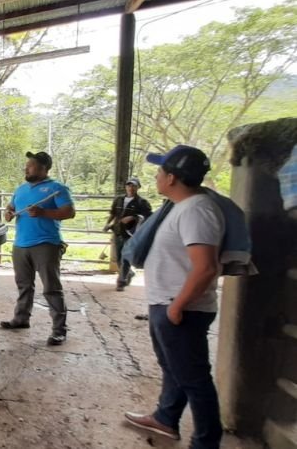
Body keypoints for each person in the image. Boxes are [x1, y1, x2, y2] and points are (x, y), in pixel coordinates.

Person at [123, 145, 224, 449]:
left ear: (171, 177)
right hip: (167, 302)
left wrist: (178, 306)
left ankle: (206, 442)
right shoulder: (180, 206)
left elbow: (206, 267)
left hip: (181, 307)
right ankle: (166, 418)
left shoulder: (197, 210)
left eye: (159, 171)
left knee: (195, 379)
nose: (156, 175)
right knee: (175, 369)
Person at [0, 151, 76, 346]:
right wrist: (8, 213)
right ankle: (21, 318)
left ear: (44, 168)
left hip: (46, 244)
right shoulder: (21, 189)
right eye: (27, 165)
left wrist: (44, 212)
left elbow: (69, 212)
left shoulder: (56, 188)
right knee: (24, 285)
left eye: (31, 165)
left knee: (51, 287)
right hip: (21, 244)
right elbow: (10, 207)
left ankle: (59, 330)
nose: (26, 168)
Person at [104, 178, 152, 291]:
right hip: (117, 230)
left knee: (125, 257)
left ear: (138, 188)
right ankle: (128, 273)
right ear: (126, 187)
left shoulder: (142, 202)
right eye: (129, 186)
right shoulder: (118, 200)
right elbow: (113, 213)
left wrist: (133, 217)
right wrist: (107, 224)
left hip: (131, 233)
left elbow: (148, 216)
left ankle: (121, 281)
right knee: (119, 257)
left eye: (134, 186)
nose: (131, 188)